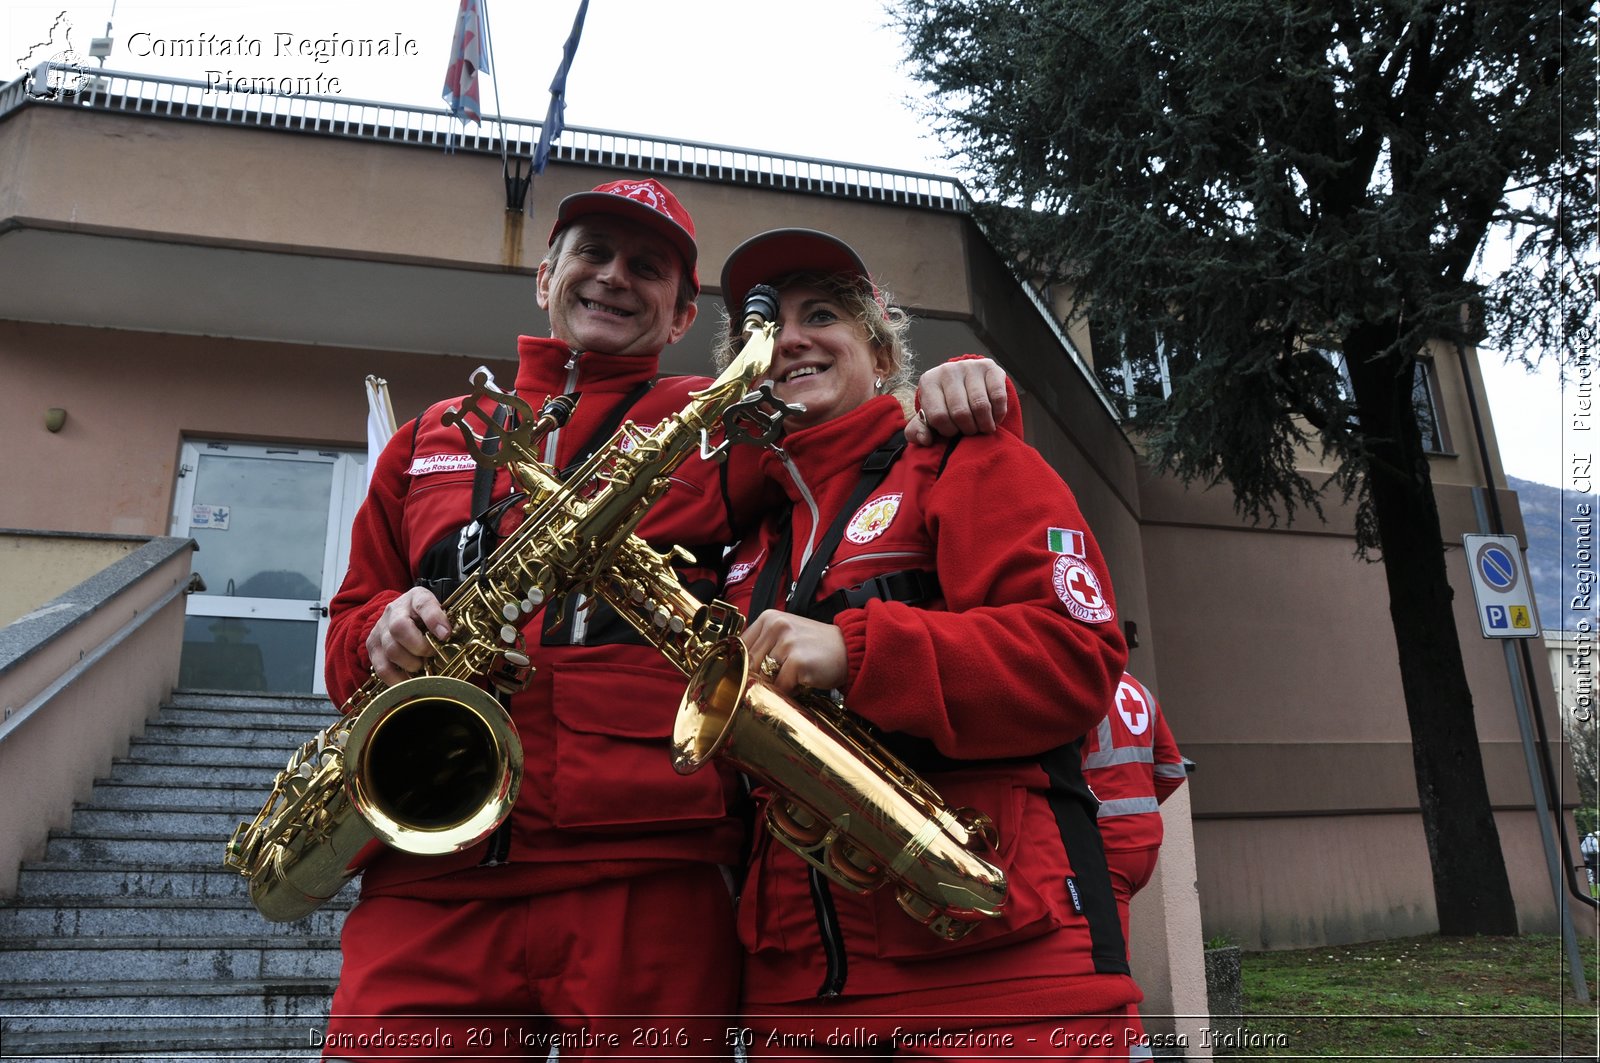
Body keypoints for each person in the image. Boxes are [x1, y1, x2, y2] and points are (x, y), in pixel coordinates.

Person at [319, 180, 1013, 1060]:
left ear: (683, 313)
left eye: (645, 267)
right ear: (545, 277)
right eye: (593, 254)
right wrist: (381, 628)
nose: (614, 277)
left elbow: (862, 448)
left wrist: (954, 390)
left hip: (650, 878)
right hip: (425, 868)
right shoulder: (426, 439)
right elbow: (346, 641)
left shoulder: (727, 428)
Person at [712, 228, 1143, 1058]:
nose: (791, 337)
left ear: (879, 350)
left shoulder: (962, 457)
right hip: (795, 994)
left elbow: (1074, 657)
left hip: (999, 981)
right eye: (766, 328)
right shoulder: (746, 538)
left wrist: (856, 650)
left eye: (823, 313)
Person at [1080, 672, 1188, 953]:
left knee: (1108, 951)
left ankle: (1123, 998)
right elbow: (1172, 771)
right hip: (1144, 839)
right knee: (1108, 943)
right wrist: (1138, 807)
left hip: (1107, 840)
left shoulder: (1085, 686)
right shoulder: (1140, 690)